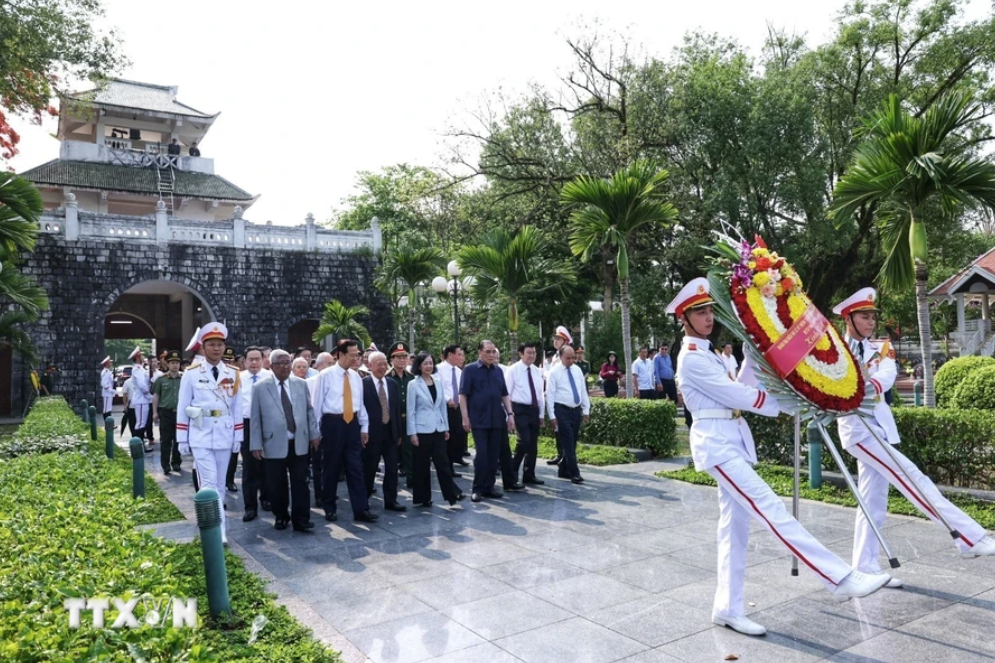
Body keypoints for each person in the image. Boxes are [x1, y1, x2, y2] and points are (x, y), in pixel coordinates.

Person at [669, 277, 890, 636]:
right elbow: (738, 395)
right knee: (770, 507)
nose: (709, 317)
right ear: (685, 318)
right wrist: (786, 403)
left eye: (710, 310)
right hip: (716, 443)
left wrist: (761, 348)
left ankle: (727, 607)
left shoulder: (709, 353)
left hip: (731, 440)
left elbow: (744, 382)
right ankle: (838, 577)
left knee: (734, 530)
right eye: (700, 312)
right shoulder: (692, 359)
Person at [834, 288, 995, 584]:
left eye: (872, 316)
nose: (871, 322)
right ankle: (968, 537)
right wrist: (855, 387)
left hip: (878, 427)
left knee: (872, 501)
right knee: (913, 479)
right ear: (848, 318)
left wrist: (861, 387)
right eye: (864, 316)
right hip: (858, 430)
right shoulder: (833, 353)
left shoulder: (879, 349)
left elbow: (888, 373)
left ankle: (865, 567)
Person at [176, 324, 244, 545]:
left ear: (224, 347)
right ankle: (215, 530)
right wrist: (181, 438)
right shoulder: (192, 373)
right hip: (201, 434)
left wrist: (238, 436)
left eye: (220, 344)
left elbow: (237, 408)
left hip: (224, 434)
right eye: (211, 345)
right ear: (203, 348)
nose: (216, 349)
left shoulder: (233, 373)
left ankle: (217, 526)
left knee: (222, 484)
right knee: (208, 483)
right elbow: (182, 406)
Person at [250, 349, 320, 532]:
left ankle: (302, 519)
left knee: (301, 482)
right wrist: (255, 444)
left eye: (287, 362)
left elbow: (309, 410)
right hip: (273, 443)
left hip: (299, 442)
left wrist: (314, 434)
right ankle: (281, 516)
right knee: (276, 484)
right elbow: (255, 417)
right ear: (271, 366)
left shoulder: (300, 384)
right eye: (280, 363)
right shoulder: (260, 387)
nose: (284, 366)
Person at [312, 339, 377, 523]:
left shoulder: (356, 376)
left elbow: (360, 404)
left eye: (357, 354)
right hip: (332, 424)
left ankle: (361, 509)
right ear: (340, 355)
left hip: (352, 424)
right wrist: (316, 433)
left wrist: (364, 427)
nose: (356, 358)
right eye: (352, 354)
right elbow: (316, 405)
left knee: (355, 467)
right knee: (331, 467)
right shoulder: (325, 375)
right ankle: (329, 507)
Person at [460, 340, 515, 502]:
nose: (491, 355)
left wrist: (510, 414)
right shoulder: (470, 370)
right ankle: (477, 489)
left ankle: (489, 487)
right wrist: (465, 417)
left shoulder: (498, 371)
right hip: (478, 420)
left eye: (493, 352)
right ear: (480, 352)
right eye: (488, 352)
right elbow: (463, 395)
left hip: (496, 419)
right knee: (482, 455)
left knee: (493, 456)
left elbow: (504, 394)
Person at [408, 351, 465, 507]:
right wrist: (412, 433)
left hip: (438, 429)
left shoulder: (438, 381)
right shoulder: (413, 384)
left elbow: (441, 408)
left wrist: (445, 428)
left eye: (431, 363)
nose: (429, 366)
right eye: (425, 363)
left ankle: (452, 495)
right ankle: (423, 497)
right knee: (422, 465)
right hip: (422, 430)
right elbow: (411, 410)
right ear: (419, 366)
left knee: (443, 463)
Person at [361, 351, 407, 512]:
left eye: (384, 363)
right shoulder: (363, 384)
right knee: (369, 469)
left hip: (391, 433)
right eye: (378, 364)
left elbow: (395, 410)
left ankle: (391, 500)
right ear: (370, 365)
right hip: (372, 434)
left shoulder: (391, 383)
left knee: (392, 469)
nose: (382, 367)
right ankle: (363, 501)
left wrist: (399, 433)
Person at [545, 345, 590, 483]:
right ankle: (574, 472)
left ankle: (563, 468)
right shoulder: (554, 372)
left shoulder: (577, 370)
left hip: (575, 410)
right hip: (561, 409)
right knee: (568, 441)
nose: (571, 360)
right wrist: (552, 415)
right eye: (568, 358)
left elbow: (583, 391)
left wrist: (586, 410)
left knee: (573, 440)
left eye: (573, 358)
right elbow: (550, 395)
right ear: (560, 357)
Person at [240, 346, 273, 521]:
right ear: (244, 361)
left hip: (267, 424)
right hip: (246, 424)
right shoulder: (237, 379)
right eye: (250, 359)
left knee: (267, 464)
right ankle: (250, 506)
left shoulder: (270, 377)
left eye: (257, 359)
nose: (254, 362)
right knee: (249, 467)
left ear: (263, 360)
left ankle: (267, 498)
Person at [507, 342, 545, 485]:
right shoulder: (513, 370)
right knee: (524, 441)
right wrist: (509, 414)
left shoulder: (537, 371)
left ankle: (529, 474)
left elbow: (540, 394)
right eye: (529, 353)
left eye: (534, 353)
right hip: (519, 410)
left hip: (533, 410)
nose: (532, 356)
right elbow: (507, 394)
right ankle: (512, 471)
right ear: (521, 354)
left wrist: (541, 414)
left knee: (533, 444)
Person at [386, 342, 415, 488]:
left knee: (410, 450)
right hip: (393, 420)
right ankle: (392, 482)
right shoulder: (387, 377)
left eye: (404, 356)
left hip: (409, 419)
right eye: (398, 357)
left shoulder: (411, 377)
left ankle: (411, 478)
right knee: (392, 451)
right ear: (391, 359)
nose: (402, 360)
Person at [439, 345, 470, 474]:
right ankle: (446, 467)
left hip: (457, 409)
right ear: (450, 355)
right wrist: (447, 399)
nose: (460, 357)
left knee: (457, 437)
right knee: (446, 438)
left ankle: (452, 463)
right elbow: (437, 388)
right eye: (458, 354)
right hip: (444, 408)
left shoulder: (459, 371)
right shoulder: (438, 369)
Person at [152, 350, 183, 475]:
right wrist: (155, 412)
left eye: (177, 363)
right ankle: (165, 465)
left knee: (178, 439)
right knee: (165, 440)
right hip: (165, 413)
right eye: (172, 363)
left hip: (180, 413)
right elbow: (156, 396)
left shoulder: (184, 378)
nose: (175, 365)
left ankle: (176, 462)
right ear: (168, 364)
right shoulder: (161, 379)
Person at [128, 347, 153, 452]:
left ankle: (140, 445)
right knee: (140, 424)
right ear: (138, 358)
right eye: (141, 355)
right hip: (142, 399)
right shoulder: (137, 369)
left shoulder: (140, 368)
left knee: (141, 423)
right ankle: (139, 446)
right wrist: (149, 397)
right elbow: (142, 386)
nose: (143, 357)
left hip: (142, 399)